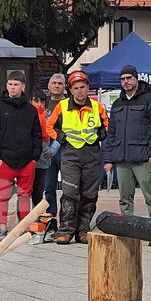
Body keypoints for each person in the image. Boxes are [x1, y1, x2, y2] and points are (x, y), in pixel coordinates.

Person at [48, 70, 109, 244]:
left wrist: (100, 136)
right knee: (69, 192)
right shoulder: (62, 106)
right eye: (76, 88)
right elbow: (50, 126)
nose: (80, 91)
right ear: (71, 89)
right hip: (70, 153)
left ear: (88, 87)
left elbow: (106, 126)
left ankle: (83, 230)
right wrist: (62, 139)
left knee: (89, 193)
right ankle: (65, 230)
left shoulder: (97, 107)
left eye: (83, 87)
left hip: (91, 152)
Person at [0, 71, 43, 240]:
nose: (12, 87)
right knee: (2, 195)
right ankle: (2, 228)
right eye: (10, 84)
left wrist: (34, 159)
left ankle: (23, 227)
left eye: (16, 84)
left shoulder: (31, 110)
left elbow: (37, 135)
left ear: (23, 86)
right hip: (5, 162)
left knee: (25, 195)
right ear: (6, 85)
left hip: (27, 162)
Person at [102, 65, 151, 219]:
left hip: (144, 159)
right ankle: (128, 233)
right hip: (122, 160)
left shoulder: (150, 98)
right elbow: (112, 133)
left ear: (136, 78)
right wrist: (108, 159)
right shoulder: (117, 104)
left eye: (129, 78)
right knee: (125, 200)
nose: (126, 81)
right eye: (122, 79)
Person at [43, 73, 67, 217]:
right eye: (54, 83)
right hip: (46, 152)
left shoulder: (70, 103)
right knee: (49, 187)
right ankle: (50, 219)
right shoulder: (44, 103)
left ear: (64, 87)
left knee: (68, 188)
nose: (57, 86)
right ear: (49, 86)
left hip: (66, 150)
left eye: (60, 83)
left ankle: (66, 219)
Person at [29, 89, 57, 215]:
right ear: (30, 101)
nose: (39, 104)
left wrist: (52, 150)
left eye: (42, 101)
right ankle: (23, 222)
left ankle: (39, 221)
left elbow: (58, 137)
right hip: (26, 159)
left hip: (42, 159)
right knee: (24, 193)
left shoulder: (50, 117)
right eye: (35, 101)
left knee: (39, 192)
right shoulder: (25, 115)